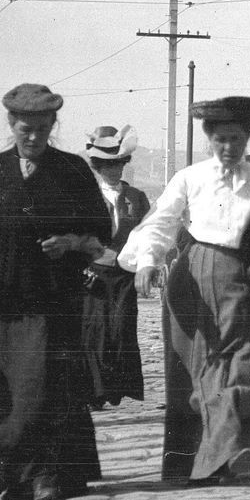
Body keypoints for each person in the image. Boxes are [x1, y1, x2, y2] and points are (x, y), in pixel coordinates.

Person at [0, 84, 113, 500]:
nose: (34, 137)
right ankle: (16, 477)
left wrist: (70, 242)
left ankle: (46, 474)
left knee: (44, 385)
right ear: (11, 124)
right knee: (8, 389)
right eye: (25, 129)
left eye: (42, 128)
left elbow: (101, 235)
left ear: (53, 125)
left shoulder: (73, 170)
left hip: (55, 297)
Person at [123, 95, 250, 486]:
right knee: (196, 367)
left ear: (247, 139)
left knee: (241, 360)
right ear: (209, 139)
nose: (228, 147)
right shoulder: (191, 178)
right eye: (221, 139)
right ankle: (196, 461)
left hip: (245, 278)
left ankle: (228, 449)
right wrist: (148, 260)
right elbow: (162, 221)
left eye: (236, 139)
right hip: (195, 276)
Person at [80, 126, 151, 408]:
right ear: (98, 166)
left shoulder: (136, 197)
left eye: (118, 163)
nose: (114, 169)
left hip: (124, 274)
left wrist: (146, 264)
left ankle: (118, 390)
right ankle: (94, 393)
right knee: (95, 331)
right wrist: (81, 266)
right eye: (108, 165)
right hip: (93, 274)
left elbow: (148, 233)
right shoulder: (86, 197)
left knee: (121, 329)